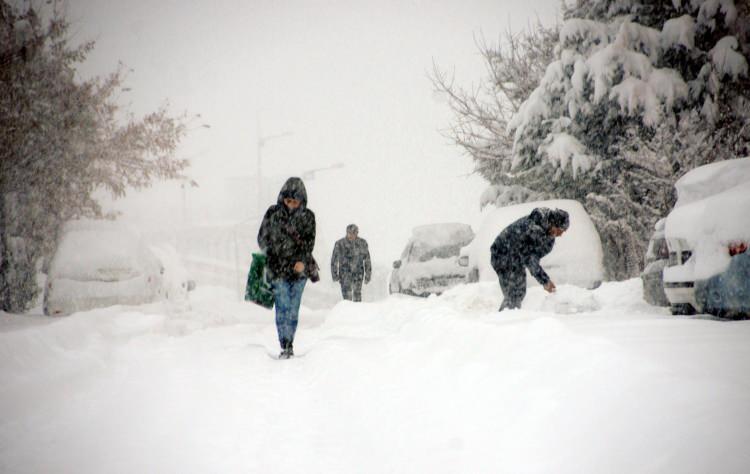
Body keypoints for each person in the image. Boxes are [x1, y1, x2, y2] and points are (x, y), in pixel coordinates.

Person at [257, 177, 316, 359]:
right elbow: (262, 239)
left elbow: (309, 243)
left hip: (300, 271)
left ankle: (289, 341)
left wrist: (301, 261)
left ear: (302, 201)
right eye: (288, 200)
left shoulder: (308, 216)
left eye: (295, 201)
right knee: (282, 306)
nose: (291, 204)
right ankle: (285, 344)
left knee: (293, 308)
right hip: (278, 269)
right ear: (282, 198)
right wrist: (276, 254)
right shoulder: (273, 213)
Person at [490, 207, 569, 311]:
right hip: (502, 255)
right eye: (560, 230)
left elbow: (533, 257)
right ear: (553, 224)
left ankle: (508, 318)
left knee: (519, 292)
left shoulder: (548, 236)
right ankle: (503, 321)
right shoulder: (532, 227)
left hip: (516, 258)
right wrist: (545, 281)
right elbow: (530, 259)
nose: (560, 234)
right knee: (514, 294)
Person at [330, 224, 372, 302]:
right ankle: (347, 312)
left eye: (354, 233)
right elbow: (334, 260)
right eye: (350, 233)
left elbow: (367, 260)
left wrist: (368, 274)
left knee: (357, 296)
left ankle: (357, 312)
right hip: (344, 273)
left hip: (358, 273)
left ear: (357, 233)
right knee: (346, 298)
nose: (351, 235)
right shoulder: (340, 244)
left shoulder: (362, 243)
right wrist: (334, 274)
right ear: (347, 232)